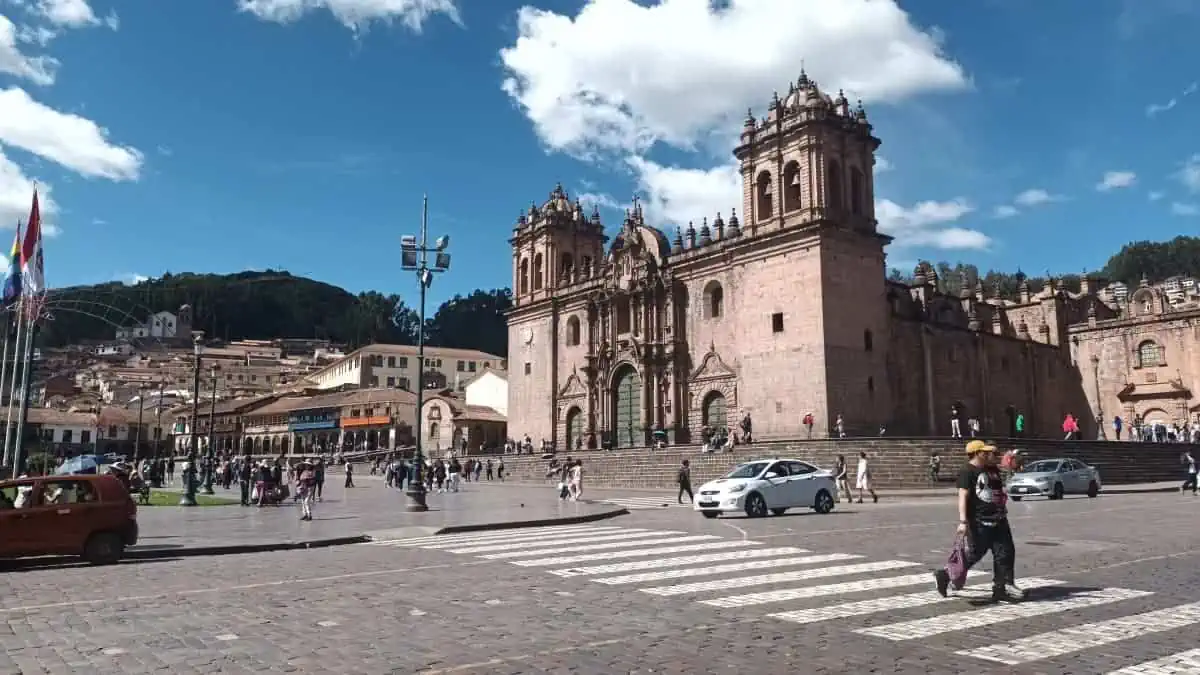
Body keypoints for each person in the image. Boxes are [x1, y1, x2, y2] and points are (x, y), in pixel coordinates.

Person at [935, 440, 1025, 602]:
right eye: (985, 452)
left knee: (1005, 552)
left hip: (999, 519)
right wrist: (963, 521)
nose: (989, 454)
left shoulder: (991, 468)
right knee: (975, 553)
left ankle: (1001, 588)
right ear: (977, 453)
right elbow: (963, 496)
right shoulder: (967, 471)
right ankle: (945, 575)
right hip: (979, 521)